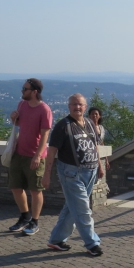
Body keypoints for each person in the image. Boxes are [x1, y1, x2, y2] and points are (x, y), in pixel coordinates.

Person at [42, 94, 104, 256]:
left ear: (85, 106)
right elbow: (52, 152)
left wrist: (99, 165)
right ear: (69, 106)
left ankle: (56, 240)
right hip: (71, 173)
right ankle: (92, 243)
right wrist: (46, 174)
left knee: (72, 208)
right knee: (83, 209)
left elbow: (95, 146)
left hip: (90, 172)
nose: (77, 107)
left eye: (80, 104)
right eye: (74, 104)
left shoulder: (90, 123)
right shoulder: (63, 126)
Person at [8, 78, 53, 236]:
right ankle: (24, 216)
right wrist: (14, 119)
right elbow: (21, 124)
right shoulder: (22, 105)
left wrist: (37, 156)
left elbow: (45, 135)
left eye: (25, 89)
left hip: (35, 155)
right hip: (19, 152)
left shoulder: (44, 110)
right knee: (15, 187)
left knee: (35, 190)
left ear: (35, 92)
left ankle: (35, 221)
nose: (22, 91)